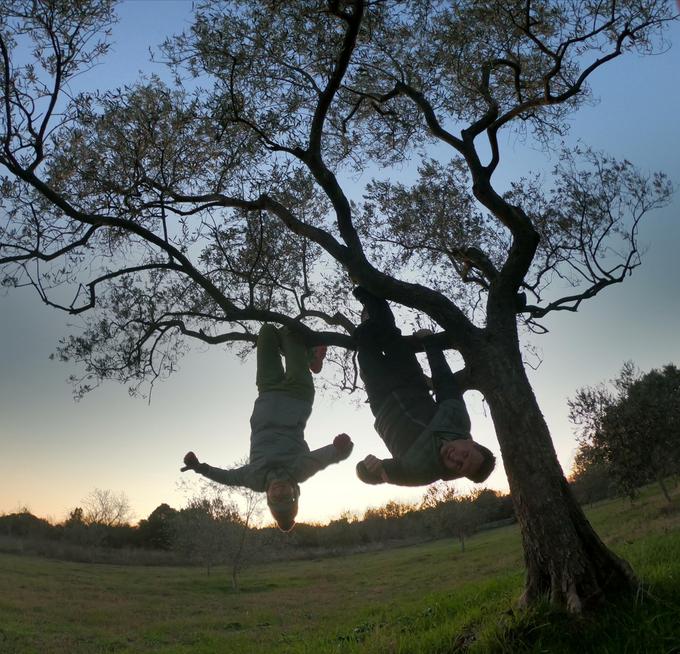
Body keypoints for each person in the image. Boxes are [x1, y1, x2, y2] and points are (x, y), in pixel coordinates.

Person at [181, 323, 353, 532]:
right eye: (286, 497)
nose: (280, 492)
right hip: (298, 394)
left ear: (269, 498)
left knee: (268, 331)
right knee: (291, 332)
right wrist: (342, 449)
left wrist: (199, 467)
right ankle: (309, 357)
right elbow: (325, 458)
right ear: (295, 492)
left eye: (276, 499)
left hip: (268, 390)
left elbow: (227, 478)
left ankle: (309, 356)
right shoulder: (300, 470)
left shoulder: (254, 478)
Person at [352, 287, 495, 487]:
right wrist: (430, 343)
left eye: (460, 466)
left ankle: (368, 317)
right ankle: (365, 288)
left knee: (365, 341)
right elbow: (444, 382)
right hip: (410, 379)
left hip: (380, 398)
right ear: (472, 443)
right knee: (389, 332)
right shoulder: (458, 420)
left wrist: (367, 469)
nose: (455, 458)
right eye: (465, 454)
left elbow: (375, 474)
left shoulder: (419, 473)